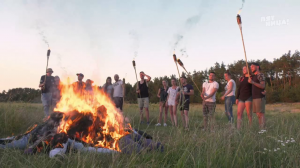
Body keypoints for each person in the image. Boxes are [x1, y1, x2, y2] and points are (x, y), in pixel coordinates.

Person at [248, 63, 266, 129]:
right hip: (255, 97)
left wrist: (253, 82)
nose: (251, 68)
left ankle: (263, 129)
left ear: (257, 67)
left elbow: (262, 86)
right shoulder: (253, 76)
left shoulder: (260, 75)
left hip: (259, 97)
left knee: (261, 114)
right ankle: (261, 128)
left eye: (252, 66)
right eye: (250, 67)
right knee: (258, 114)